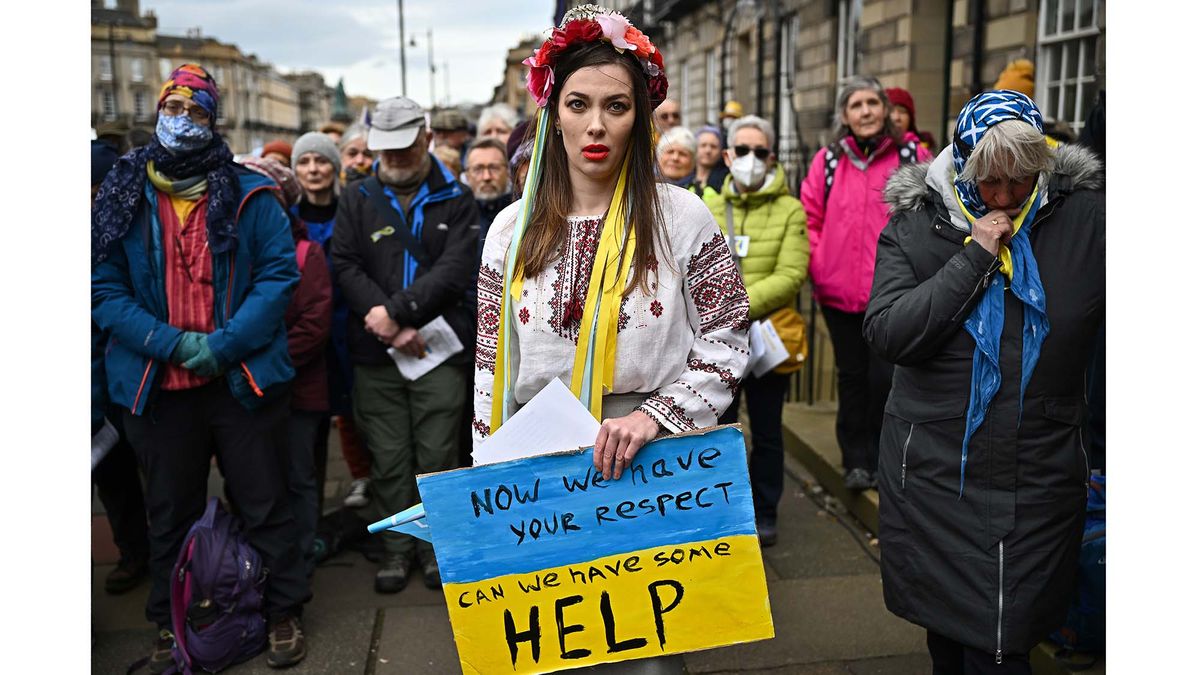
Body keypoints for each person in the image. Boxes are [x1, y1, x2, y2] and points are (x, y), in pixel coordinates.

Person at [473, 7, 751, 603]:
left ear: (639, 119)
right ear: (553, 114)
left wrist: (656, 417)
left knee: (649, 645)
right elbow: (491, 364)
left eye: (616, 107)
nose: (596, 125)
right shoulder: (508, 231)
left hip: (655, 460)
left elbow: (727, 340)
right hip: (541, 460)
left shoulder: (683, 217)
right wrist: (487, 471)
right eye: (578, 105)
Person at [867, 89, 1104, 673]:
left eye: (1020, 181)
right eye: (989, 181)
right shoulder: (917, 224)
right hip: (935, 464)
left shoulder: (1089, 219)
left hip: (1040, 466)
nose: (1003, 196)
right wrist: (974, 256)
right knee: (948, 634)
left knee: (1006, 640)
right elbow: (890, 332)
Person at [91, 63, 308, 671]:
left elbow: (277, 275)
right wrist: (170, 343)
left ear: (215, 120)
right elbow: (103, 289)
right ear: (158, 112)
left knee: (265, 502)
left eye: (197, 111)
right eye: (174, 107)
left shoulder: (249, 192)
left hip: (241, 380)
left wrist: (225, 344)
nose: (183, 120)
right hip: (160, 385)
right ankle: (171, 620)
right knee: (169, 512)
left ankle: (284, 610)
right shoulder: (123, 195)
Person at [331, 95, 479, 594]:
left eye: (403, 147)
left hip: (438, 350)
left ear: (427, 139)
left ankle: (436, 549)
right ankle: (397, 549)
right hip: (376, 353)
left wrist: (398, 314)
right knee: (388, 456)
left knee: (437, 455)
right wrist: (385, 322)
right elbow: (345, 263)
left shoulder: (456, 198)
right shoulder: (357, 196)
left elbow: (456, 270)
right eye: (384, 149)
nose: (392, 158)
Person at [799, 75, 932, 492]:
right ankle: (855, 460)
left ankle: (883, 458)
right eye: (856, 105)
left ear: (885, 109)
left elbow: (929, 217)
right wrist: (822, 267)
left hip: (893, 294)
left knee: (886, 379)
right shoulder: (829, 160)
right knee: (851, 377)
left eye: (872, 103)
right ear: (845, 116)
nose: (866, 111)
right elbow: (810, 219)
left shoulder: (913, 154)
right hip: (838, 294)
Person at [705, 114, 809, 547]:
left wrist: (736, 304)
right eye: (742, 150)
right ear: (727, 156)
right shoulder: (706, 206)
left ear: (772, 157)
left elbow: (792, 272)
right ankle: (721, 510)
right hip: (714, 344)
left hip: (765, 340)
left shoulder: (790, 209)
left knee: (767, 430)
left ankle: (765, 511)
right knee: (718, 429)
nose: (751, 159)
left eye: (760, 151)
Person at [240, 154, 332, 579]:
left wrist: (256, 360)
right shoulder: (233, 253)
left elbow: (314, 326)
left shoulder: (305, 253)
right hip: (246, 389)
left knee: (299, 473)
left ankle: (304, 546)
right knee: (257, 478)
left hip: (298, 389)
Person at [292, 131, 376, 509]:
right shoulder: (287, 219)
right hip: (308, 339)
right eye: (304, 162)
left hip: (350, 331)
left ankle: (366, 480)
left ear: (335, 167)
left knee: (358, 414)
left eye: (321, 161)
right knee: (310, 427)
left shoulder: (352, 212)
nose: (313, 170)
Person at [91, 139, 150, 596]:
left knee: (161, 470)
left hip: (142, 370)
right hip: (97, 385)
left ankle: (183, 550)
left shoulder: (135, 229)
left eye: (98, 190)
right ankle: (133, 552)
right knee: (111, 475)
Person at [464, 136, 513, 248]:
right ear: (467, 175)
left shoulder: (522, 213)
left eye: (494, 168)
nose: (487, 177)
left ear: (508, 172)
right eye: (478, 169)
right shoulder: (457, 215)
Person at [655, 125, 699, 192]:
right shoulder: (644, 187)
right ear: (658, 156)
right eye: (670, 152)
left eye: (682, 154)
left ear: (693, 161)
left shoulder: (701, 191)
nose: (675, 158)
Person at [694, 125, 729, 195]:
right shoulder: (685, 178)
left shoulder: (727, 180)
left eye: (713, 146)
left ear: (720, 151)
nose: (708, 150)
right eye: (703, 145)